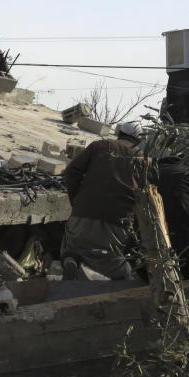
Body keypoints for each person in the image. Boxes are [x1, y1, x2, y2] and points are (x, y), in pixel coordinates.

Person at [61, 120, 149, 280]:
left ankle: (70, 260)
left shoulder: (99, 146)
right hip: (117, 222)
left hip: (81, 215)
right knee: (117, 265)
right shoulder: (142, 159)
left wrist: (77, 202)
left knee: (71, 246)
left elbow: (71, 172)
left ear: (119, 133)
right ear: (139, 140)